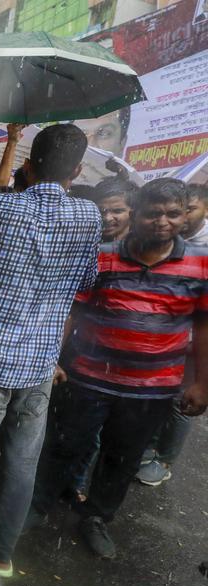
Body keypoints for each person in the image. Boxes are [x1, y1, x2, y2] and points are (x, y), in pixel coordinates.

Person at [0, 124, 102, 586]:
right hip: (41, 363)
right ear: (76, 170)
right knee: (23, 463)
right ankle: (3, 555)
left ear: (30, 163)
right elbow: (86, 279)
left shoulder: (2, 207)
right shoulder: (88, 216)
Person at [28, 178, 208, 558]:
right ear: (137, 214)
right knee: (65, 445)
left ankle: (96, 517)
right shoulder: (102, 257)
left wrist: (201, 384)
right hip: (90, 377)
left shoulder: (199, 264)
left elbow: (203, 326)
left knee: (122, 457)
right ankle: (36, 508)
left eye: (173, 214)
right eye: (153, 213)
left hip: (153, 387)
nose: (162, 222)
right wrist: (53, 359)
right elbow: (72, 311)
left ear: (184, 217)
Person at [134, 182, 208, 486]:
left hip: (193, 344)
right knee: (158, 397)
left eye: (188, 210)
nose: (184, 217)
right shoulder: (167, 240)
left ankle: (164, 459)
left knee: (182, 402)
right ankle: (148, 446)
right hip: (162, 340)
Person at [94, 178, 136, 242]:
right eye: (101, 211)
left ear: (133, 213)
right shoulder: (86, 244)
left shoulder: (141, 247)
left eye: (117, 211)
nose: (107, 218)